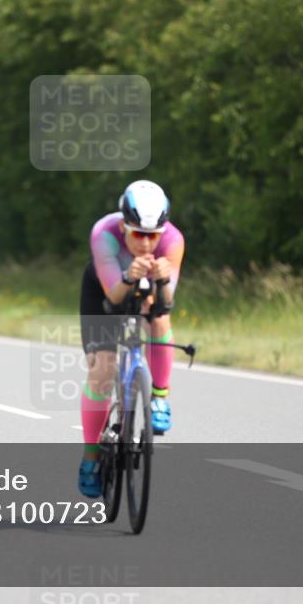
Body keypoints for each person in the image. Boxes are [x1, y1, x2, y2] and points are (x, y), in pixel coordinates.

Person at [77, 180, 185, 497]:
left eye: (154, 236)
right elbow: (112, 298)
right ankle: (91, 455)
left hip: (148, 289)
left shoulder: (174, 240)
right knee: (102, 371)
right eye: (138, 234)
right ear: (124, 225)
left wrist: (162, 280)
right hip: (104, 290)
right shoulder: (104, 233)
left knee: (161, 320)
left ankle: (160, 396)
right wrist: (129, 276)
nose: (147, 243)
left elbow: (165, 302)